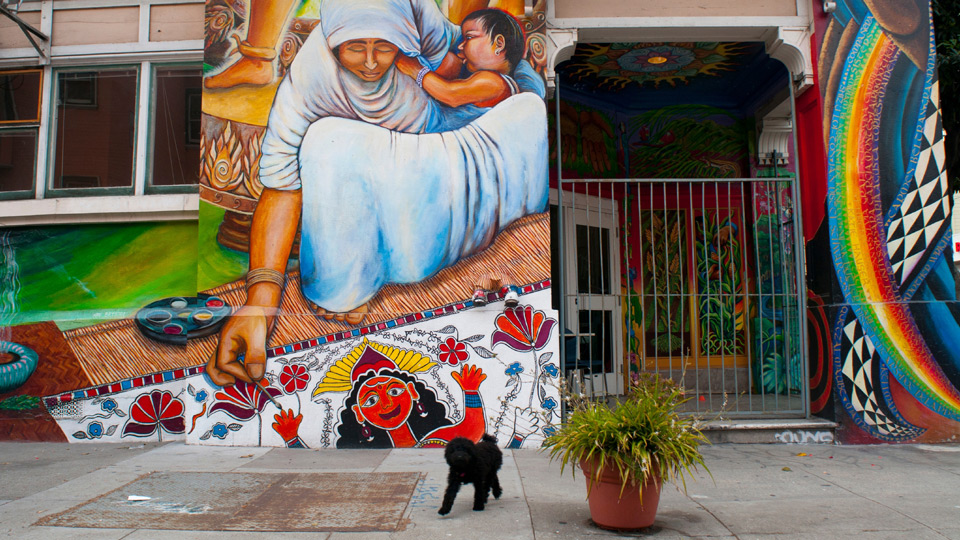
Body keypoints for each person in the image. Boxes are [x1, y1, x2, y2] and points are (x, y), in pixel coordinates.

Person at [207, 0, 549, 388]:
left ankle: (490, 247)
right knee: (327, 143)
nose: (370, 62)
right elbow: (281, 186)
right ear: (333, 42)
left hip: (452, 156)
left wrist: (435, 72)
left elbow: (472, 67)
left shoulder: (421, 21)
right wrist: (260, 303)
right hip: (389, 185)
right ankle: (353, 280)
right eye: (355, 47)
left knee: (528, 111)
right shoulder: (309, 80)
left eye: (385, 46)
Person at [312, 339, 487, 448]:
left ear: (412, 391)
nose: (387, 404)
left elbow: (472, 431)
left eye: (394, 391)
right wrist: (291, 438)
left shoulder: (436, 439)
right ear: (358, 412)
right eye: (371, 400)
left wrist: (471, 391)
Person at [395, 9, 525, 108]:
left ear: (499, 44)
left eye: (468, 37)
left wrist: (416, 70)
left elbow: (451, 95)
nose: (461, 46)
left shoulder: (495, 82)